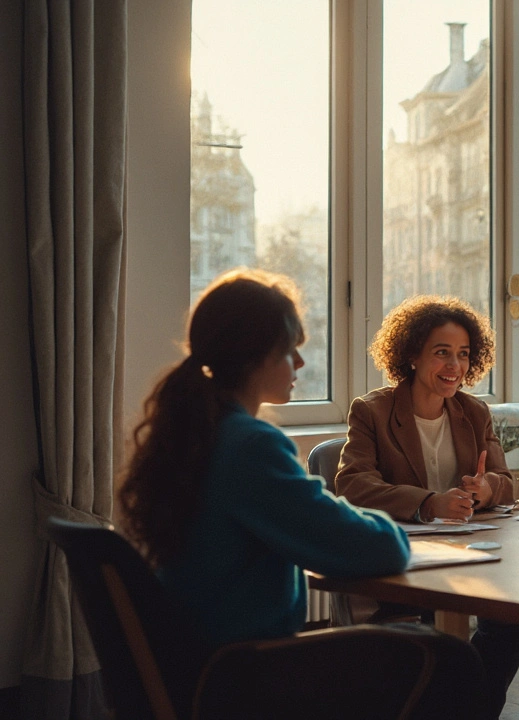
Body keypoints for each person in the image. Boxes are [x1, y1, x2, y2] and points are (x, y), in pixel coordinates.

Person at [117, 269, 481, 719]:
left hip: (195, 661)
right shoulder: (249, 444)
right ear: (257, 357)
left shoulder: (197, 432)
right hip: (242, 673)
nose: (301, 365)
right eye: (291, 351)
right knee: (451, 659)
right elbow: (373, 547)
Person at [335, 294, 519, 720]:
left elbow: (504, 483)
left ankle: (473, 710)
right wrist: (429, 503)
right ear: (410, 355)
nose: (454, 367)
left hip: (470, 560)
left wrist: (484, 490)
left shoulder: (474, 412)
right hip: (407, 566)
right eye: (442, 353)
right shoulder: (372, 411)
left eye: (463, 355)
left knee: (517, 618)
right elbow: (353, 484)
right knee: (434, 644)